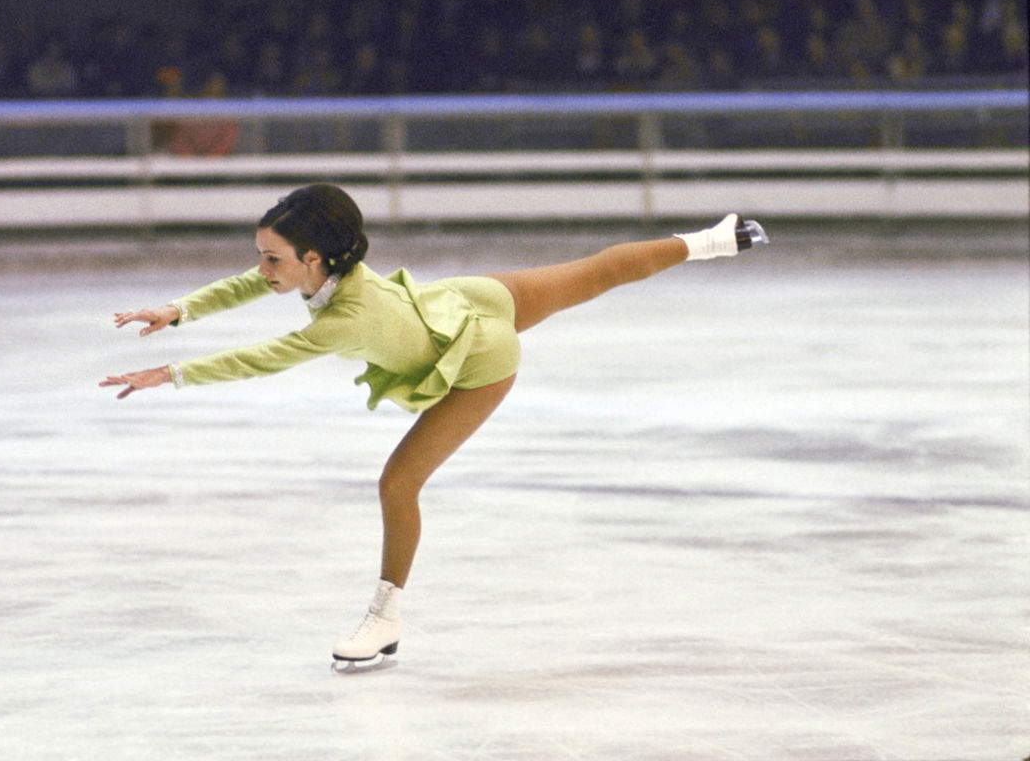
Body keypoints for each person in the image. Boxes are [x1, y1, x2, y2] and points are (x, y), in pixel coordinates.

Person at [100, 184, 768, 666]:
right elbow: (248, 286)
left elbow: (266, 358)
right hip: (462, 300)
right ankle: (717, 238)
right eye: (263, 254)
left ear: (315, 261)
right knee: (592, 273)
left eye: (273, 257)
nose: (263, 268)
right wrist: (178, 310)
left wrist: (173, 373)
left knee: (397, 485)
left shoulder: (345, 318)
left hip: (478, 360)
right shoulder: (321, 268)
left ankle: (384, 616)